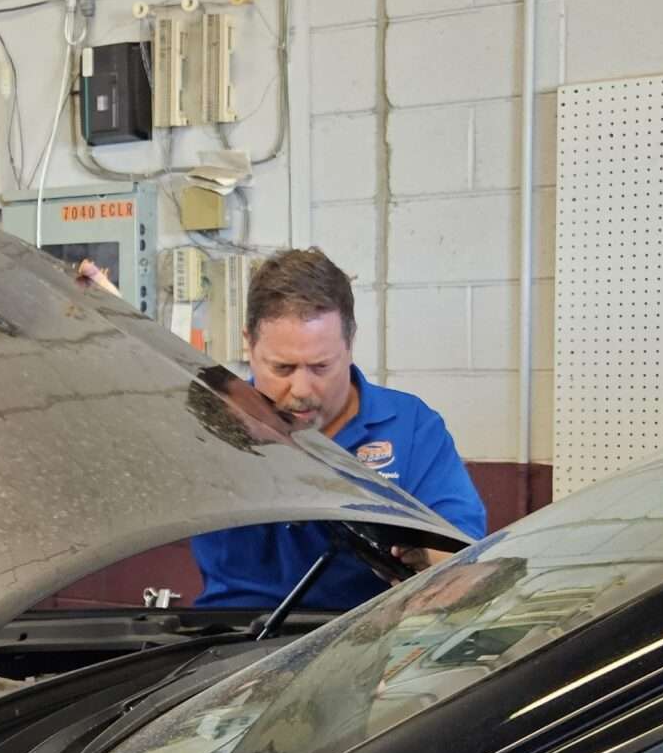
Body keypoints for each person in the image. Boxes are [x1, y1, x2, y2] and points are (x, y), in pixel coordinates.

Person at [191, 248, 488, 609]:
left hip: (367, 639)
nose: (301, 390)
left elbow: (461, 555)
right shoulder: (207, 425)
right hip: (231, 642)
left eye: (320, 367)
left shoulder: (411, 429)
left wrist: (428, 561)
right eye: (283, 369)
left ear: (349, 345)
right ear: (248, 344)